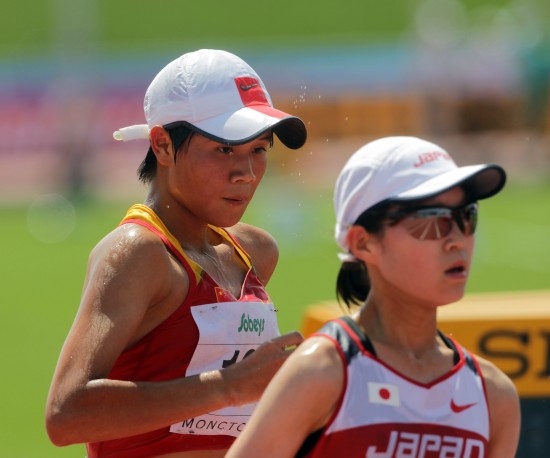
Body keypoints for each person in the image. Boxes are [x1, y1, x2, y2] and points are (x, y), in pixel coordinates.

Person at [45, 49, 307, 457]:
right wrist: (229, 386)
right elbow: (66, 415)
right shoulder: (137, 253)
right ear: (163, 145)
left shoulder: (254, 252)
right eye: (224, 150)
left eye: (259, 149)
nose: (247, 173)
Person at [227, 136, 521, 458]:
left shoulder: (493, 395)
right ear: (363, 243)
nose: (457, 240)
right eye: (432, 221)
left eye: (467, 216)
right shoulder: (322, 372)